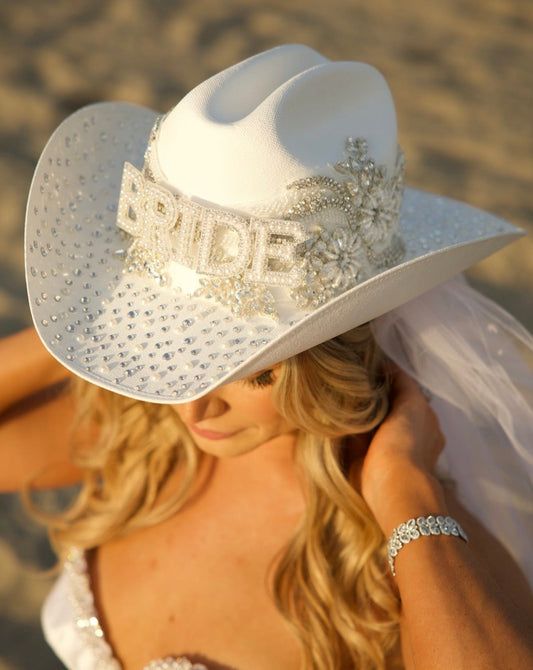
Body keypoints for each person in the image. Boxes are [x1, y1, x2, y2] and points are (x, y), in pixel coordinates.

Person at [2, 43, 532, 670]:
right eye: (177, 341)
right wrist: (92, 318)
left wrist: (407, 494)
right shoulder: (143, 435)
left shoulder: (399, 554)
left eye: (252, 367)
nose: (192, 398)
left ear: (334, 354)